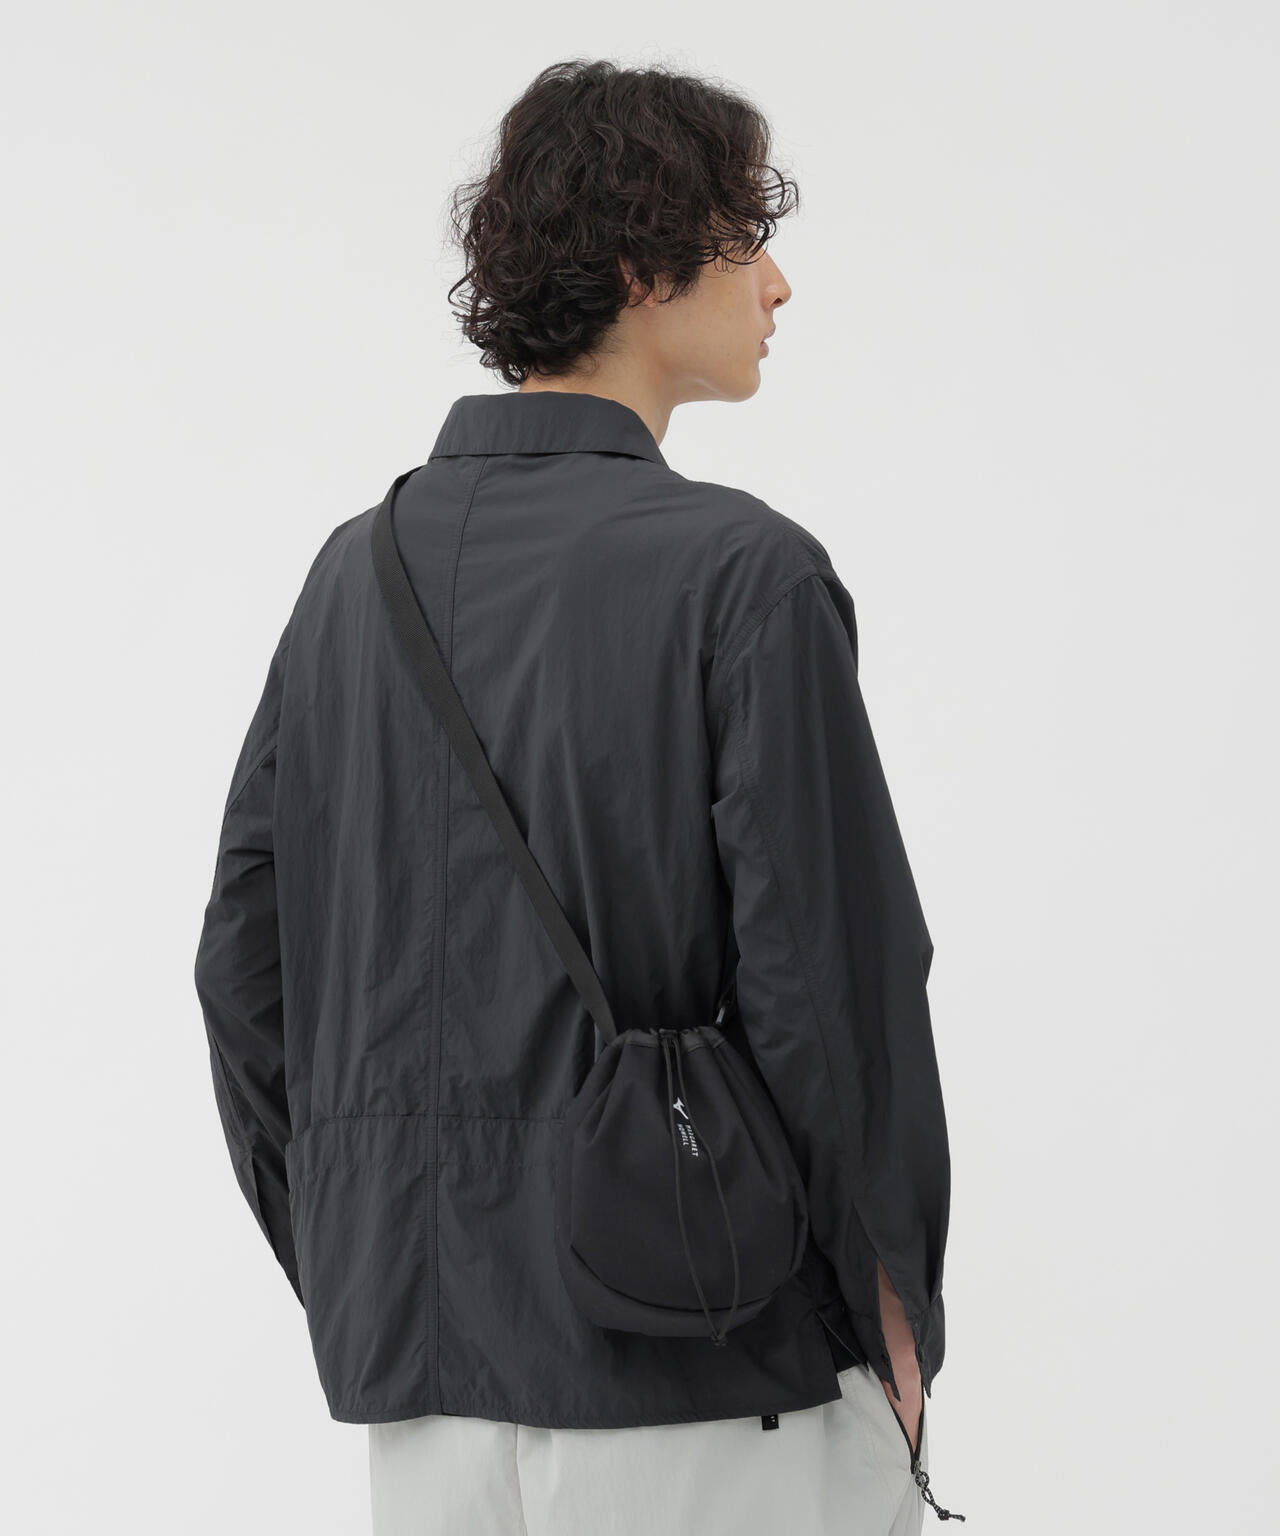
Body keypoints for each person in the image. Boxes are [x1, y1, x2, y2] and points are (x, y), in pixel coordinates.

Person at [193, 57, 963, 1536]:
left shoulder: (352, 577)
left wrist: (370, 1252)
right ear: (638, 266)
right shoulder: (745, 573)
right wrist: (894, 1306)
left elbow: (244, 971)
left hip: (423, 1396)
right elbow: (830, 983)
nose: (779, 284)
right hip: (704, 1374)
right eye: (745, 239)